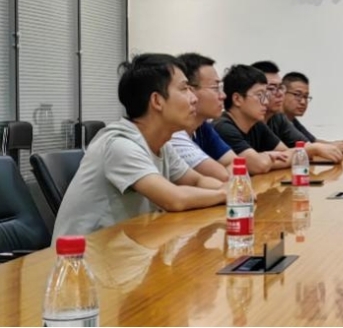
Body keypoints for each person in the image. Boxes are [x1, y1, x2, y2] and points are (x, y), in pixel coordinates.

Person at [52, 54, 226, 238]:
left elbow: (197, 181)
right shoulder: (120, 145)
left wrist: (231, 189)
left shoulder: (162, 145)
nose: (194, 98)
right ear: (157, 101)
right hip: (82, 253)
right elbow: (174, 199)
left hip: (124, 247)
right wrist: (224, 195)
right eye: (184, 89)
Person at [252, 61, 343, 163]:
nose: (279, 94)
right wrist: (314, 149)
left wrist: (315, 149)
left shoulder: (277, 118)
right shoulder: (250, 121)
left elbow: (291, 154)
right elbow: (256, 164)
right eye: (271, 88)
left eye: (280, 88)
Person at [169, 53, 237, 181]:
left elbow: (235, 164)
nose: (223, 95)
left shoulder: (202, 126)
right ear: (190, 90)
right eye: (216, 88)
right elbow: (222, 176)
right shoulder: (173, 135)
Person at [213, 64, 292, 174]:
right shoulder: (223, 127)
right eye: (259, 95)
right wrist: (266, 156)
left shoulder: (256, 123)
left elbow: (289, 154)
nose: (265, 102)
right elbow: (259, 166)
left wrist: (262, 158)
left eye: (265, 95)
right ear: (237, 99)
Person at [281, 71, 343, 153]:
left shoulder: (292, 120)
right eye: (297, 95)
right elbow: (309, 147)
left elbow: (312, 141)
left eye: (306, 96)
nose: (303, 102)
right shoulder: (277, 120)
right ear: (282, 93)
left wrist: (332, 144)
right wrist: (332, 146)